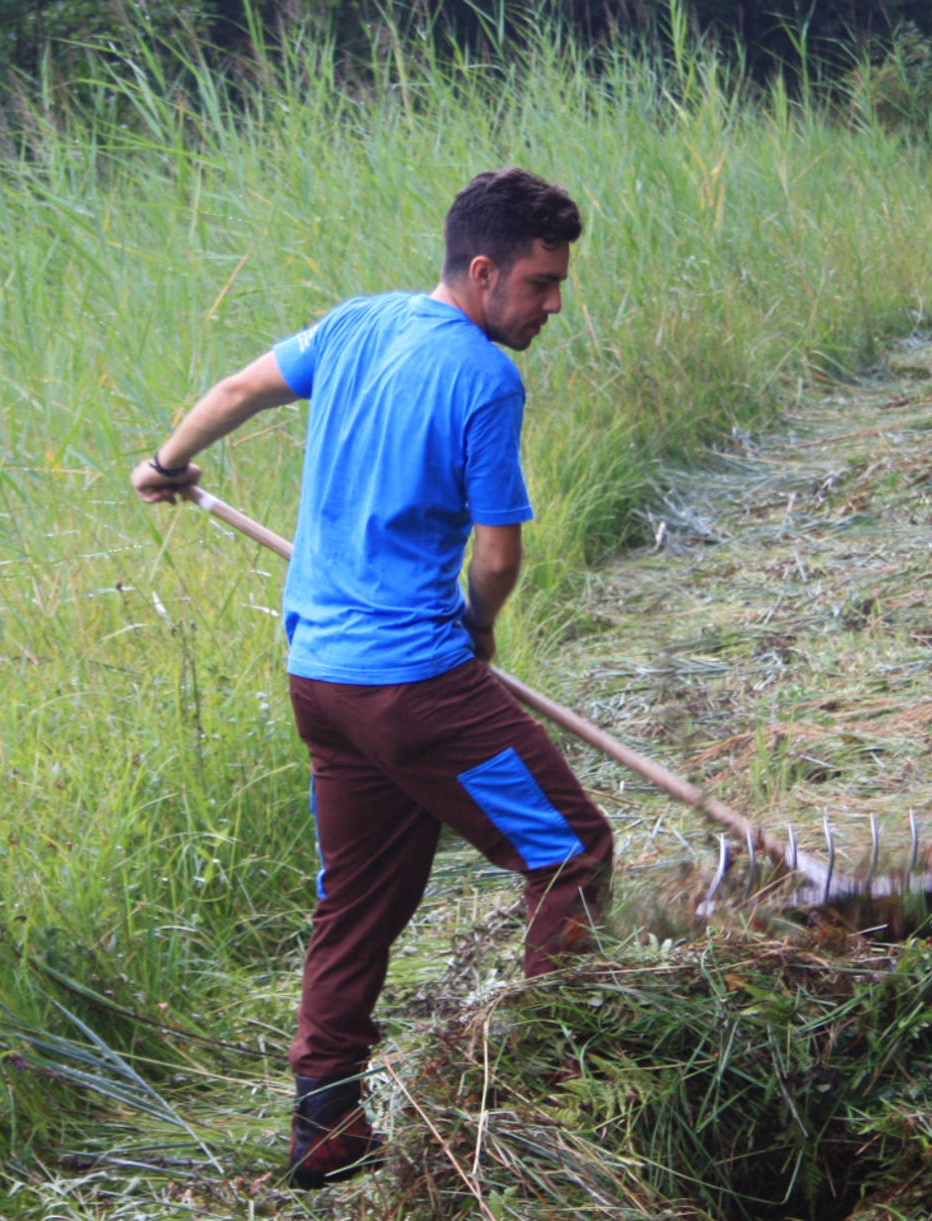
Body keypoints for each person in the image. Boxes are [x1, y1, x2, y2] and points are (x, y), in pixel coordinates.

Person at [130, 167, 614, 1189]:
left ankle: (326, 1129)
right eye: (538, 284)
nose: (551, 305)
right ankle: (560, 1090)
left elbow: (236, 392)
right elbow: (496, 562)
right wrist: (476, 634)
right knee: (571, 856)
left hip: (324, 686)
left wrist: (168, 462)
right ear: (481, 273)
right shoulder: (485, 378)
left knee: (356, 903)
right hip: (411, 690)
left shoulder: (355, 325)